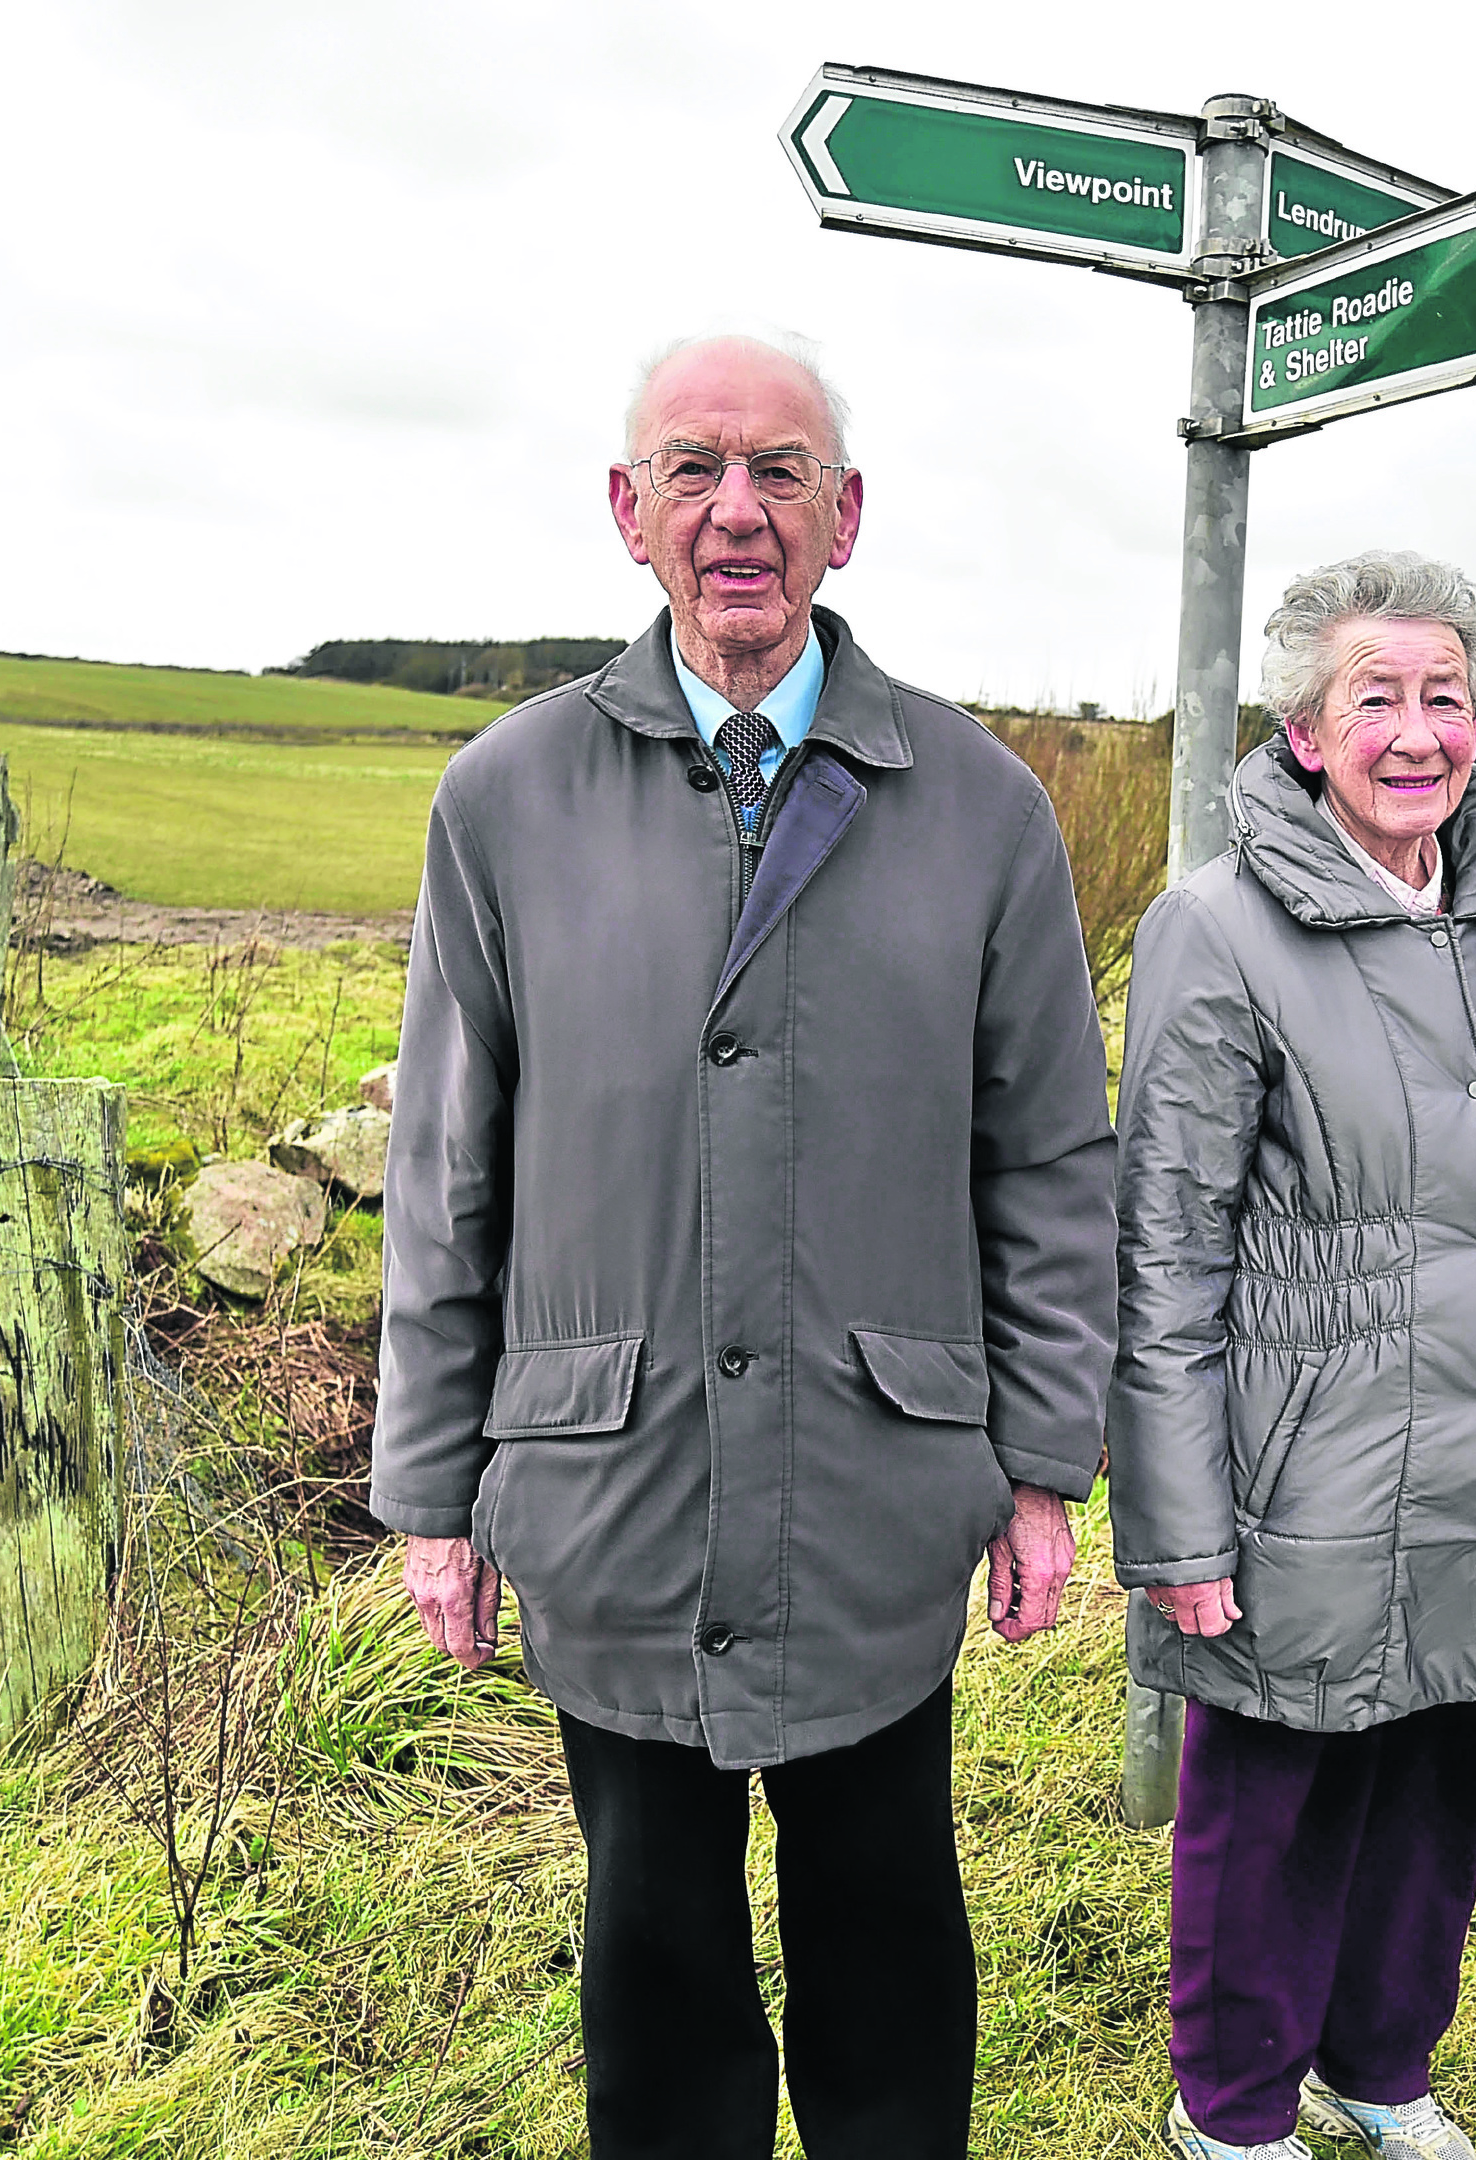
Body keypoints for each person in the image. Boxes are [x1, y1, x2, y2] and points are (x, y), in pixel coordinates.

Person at [370, 332, 1118, 2160]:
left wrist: (1042, 1474)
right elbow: (445, 1164)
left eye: (781, 471)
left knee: (885, 1921)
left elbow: (1045, 1166)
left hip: (881, 1478)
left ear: (843, 518)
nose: (737, 511)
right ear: (628, 514)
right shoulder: (506, 800)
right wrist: (432, 1492)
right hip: (601, 1473)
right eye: (693, 469)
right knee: (652, 1940)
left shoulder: (979, 809)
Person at [1112, 553, 1476, 2160]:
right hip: (1300, 1452)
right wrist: (1178, 1532)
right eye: (1375, 698)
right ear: (1305, 731)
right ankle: (1237, 2112)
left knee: (1435, 1773)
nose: (1418, 733)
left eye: (1446, 697)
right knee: (1271, 1799)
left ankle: (1380, 2070)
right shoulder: (1215, 928)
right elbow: (1167, 1247)